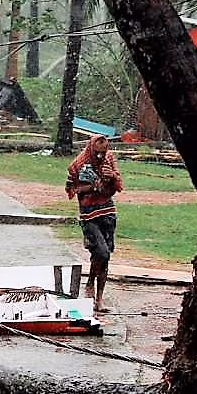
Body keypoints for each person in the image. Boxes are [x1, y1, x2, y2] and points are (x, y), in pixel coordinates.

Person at [65, 134, 124, 313]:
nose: (100, 156)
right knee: (102, 252)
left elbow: (118, 185)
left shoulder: (109, 159)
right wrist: (92, 186)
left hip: (107, 212)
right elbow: (72, 189)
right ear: (91, 148)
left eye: (103, 152)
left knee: (103, 257)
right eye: (97, 153)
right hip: (89, 215)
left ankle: (98, 299)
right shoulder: (78, 164)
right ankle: (90, 283)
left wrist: (112, 176)